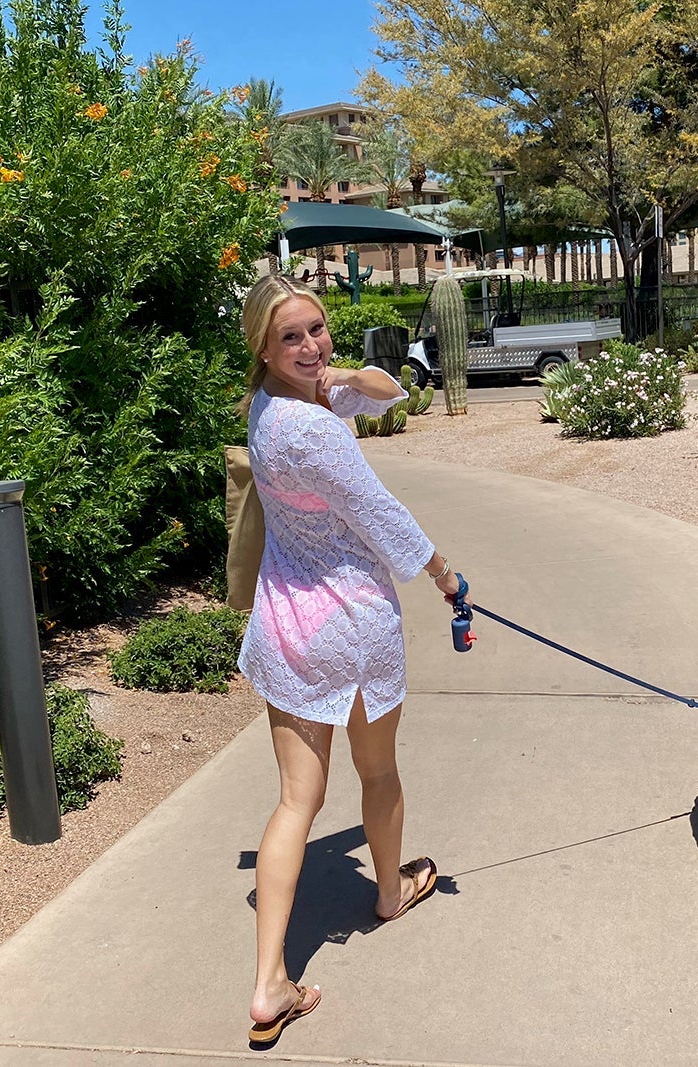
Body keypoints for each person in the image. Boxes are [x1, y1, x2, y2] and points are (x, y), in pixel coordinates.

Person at [235, 275, 467, 1044]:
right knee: (378, 773)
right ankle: (390, 893)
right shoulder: (315, 431)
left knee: (295, 801)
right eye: (291, 337)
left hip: (288, 626)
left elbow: (386, 391)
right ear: (262, 346)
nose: (310, 346)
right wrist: (444, 573)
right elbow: (380, 513)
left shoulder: (276, 409)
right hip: (350, 625)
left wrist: (334, 375)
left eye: (318, 329)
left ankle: (270, 982)